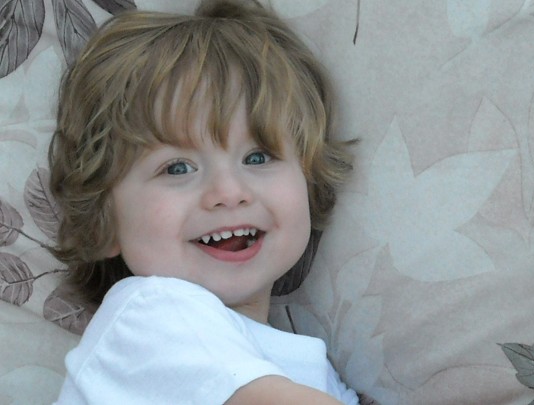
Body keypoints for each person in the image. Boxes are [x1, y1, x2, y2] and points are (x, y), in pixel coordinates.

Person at [49, 0, 359, 403]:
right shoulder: (150, 313)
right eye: (177, 168)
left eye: (258, 157)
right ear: (103, 222)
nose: (229, 192)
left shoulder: (308, 366)